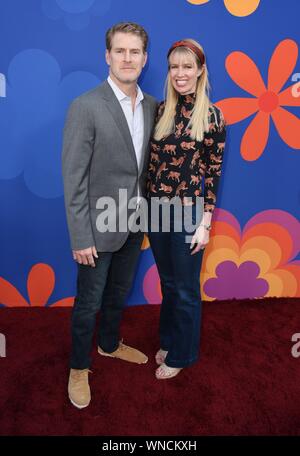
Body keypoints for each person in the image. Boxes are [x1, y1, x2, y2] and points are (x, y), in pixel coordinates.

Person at [62, 22, 157, 408]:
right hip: (97, 227)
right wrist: (80, 235)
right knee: (89, 302)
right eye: (120, 51)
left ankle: (108, 344)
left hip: (135, 222)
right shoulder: (86, 106)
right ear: (107, 56)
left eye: (135, 52)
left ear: (145, 58)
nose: (128, 58)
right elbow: (73, 177)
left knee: (119, 292)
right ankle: (78, 367)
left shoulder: (152, 105)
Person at [147, 39, 226, 380]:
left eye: (187, 67)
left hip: (189, 212)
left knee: (185, 288)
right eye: (174, 67)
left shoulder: (211, 115)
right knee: (168, 283)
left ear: (200, 71)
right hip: (156, 210)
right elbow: (151, 168)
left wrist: (205, 222)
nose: (180, 73)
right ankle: (169, 340)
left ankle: (183, 354)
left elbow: (213, 172)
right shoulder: (161, 109)